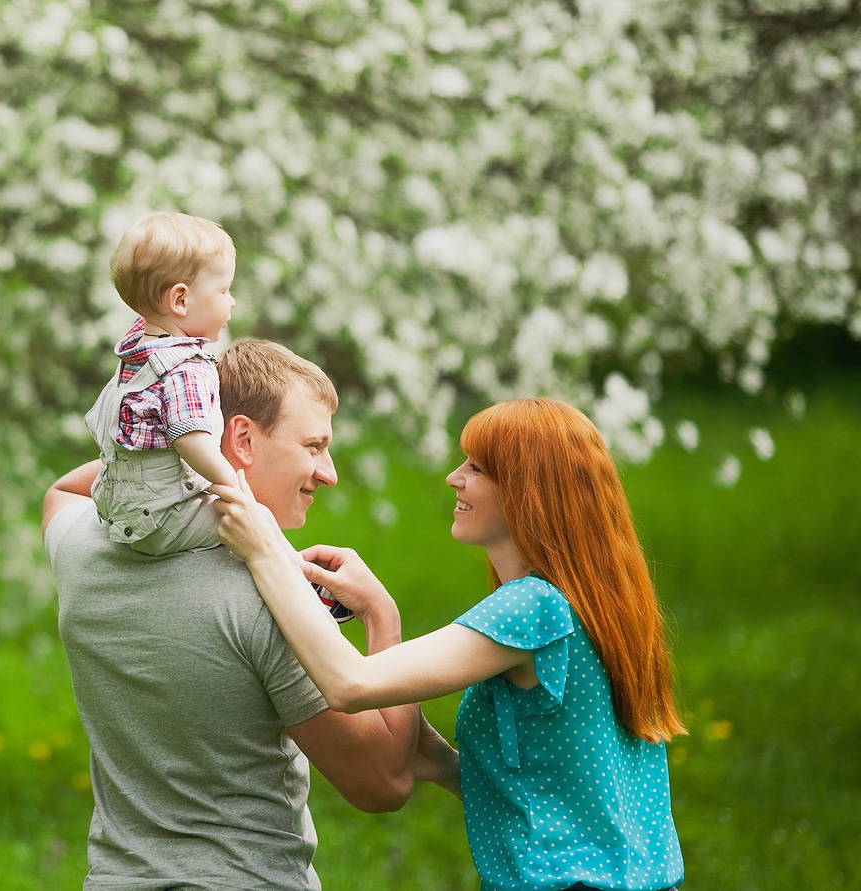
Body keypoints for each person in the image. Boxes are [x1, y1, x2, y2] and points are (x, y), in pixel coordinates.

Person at [211, 398, 686, 891]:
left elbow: (348, 684)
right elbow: (557, 786)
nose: (453, 478)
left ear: (529, 491)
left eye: (476, 468)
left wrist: (264, 551)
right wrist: (436, 759)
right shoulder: (593, 604)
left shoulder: (533, 607)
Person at [45, 339, 454, 891]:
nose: (328, 473)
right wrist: (383, 618)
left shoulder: (81, 546)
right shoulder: (270, 600)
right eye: (313, 446)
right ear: (240, 438)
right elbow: (382, 783)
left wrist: (175, 460)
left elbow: (63, 490)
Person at [84, 212, 240, 556]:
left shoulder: (137, 353)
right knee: (252, 524)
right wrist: (236, 489)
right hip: (162, 519)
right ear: (180, 301)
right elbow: (193, 443)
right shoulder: (185, 369)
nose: (232, 301)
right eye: (224, 290)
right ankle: (301, 580)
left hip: (121, 511)